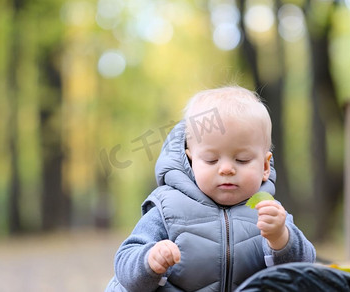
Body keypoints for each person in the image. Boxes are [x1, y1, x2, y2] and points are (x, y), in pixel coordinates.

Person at [105, 86, 316, 292]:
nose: (226, 169)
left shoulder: (268, 211)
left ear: (264, 166)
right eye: (211, 159)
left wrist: (280, 238)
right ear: (191, 160)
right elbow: (125, 264)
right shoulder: (167, 208)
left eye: (242, 160)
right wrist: (150, 261)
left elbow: (305, 272)